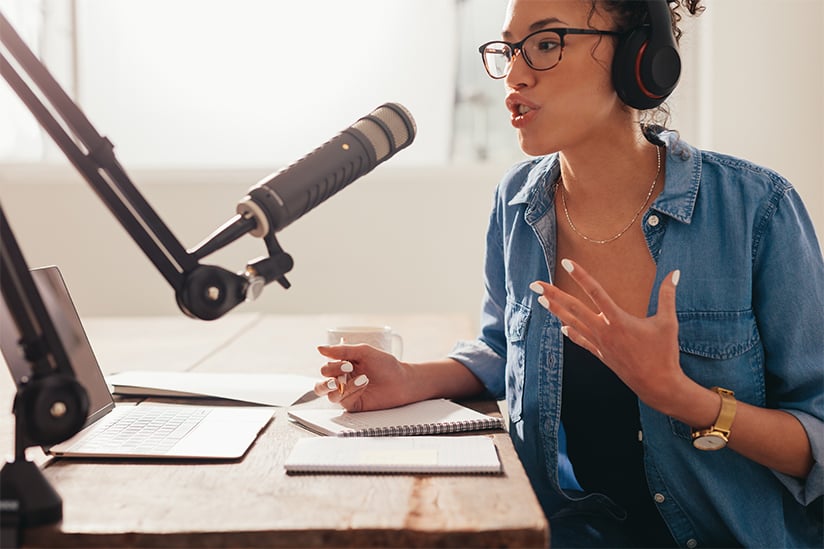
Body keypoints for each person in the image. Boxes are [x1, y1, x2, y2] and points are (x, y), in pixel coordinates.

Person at [313, 1, 824, 546]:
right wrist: (411, 378)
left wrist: (683, 398)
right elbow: (504, 348)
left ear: (639, 57)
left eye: (546, 44)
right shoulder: (517, 201)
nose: (515, 73)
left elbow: (815, 435)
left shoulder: (755, 209)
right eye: (509, 49)